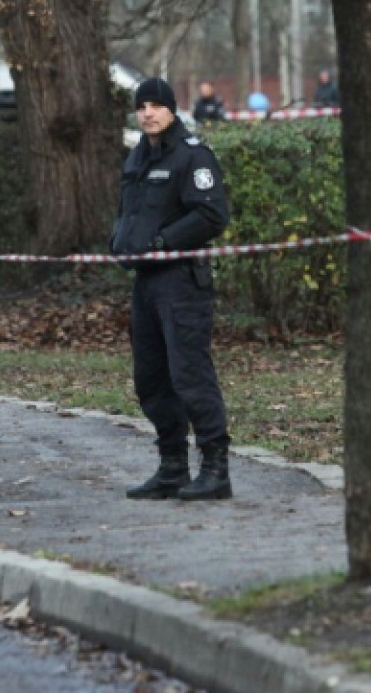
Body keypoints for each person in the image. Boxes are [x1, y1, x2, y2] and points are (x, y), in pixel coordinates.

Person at [110, 77, 234, 501]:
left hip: (181, 281)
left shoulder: (192, 156)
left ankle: (216, 468)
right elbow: (129, 212)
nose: (147, 113)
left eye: (155, 106)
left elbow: (212, 214)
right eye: (141, 106)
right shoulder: (137, 157)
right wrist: (120, 242)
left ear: (171, 109)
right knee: (152, 379)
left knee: (190, 376)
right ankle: (172, 467)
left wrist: (164, 242)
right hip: (146, 284)